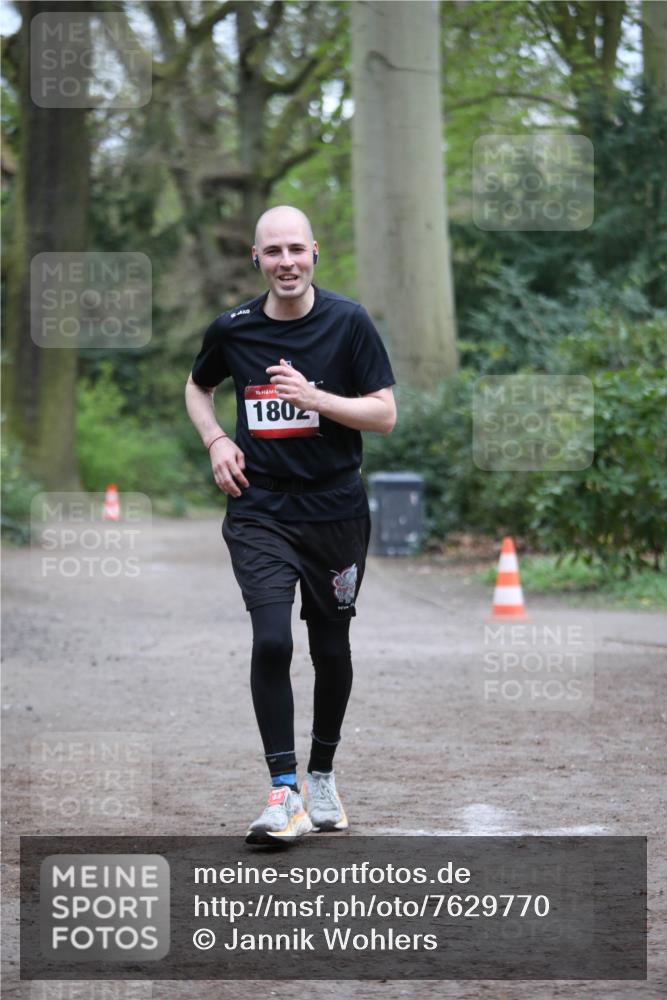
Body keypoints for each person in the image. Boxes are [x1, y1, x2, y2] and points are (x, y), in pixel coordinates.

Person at [185, 205, 396, 845]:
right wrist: (218, 440)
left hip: (334, 510)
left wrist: (316, 400)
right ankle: (284, 791)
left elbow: (384, 414)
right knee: (273, 640)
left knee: (331, 648)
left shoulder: (349, 323)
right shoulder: (235, 330)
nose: (286, 262)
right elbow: (198, 388)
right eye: (272, 251)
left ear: (315, 252)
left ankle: (323, 772)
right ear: (256, 258)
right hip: (260, 509)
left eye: (296, 250)